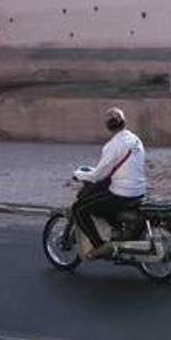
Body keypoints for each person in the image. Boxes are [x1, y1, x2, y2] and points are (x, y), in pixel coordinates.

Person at [71, 107, 146, 259]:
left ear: (107, 126)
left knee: (79, 209)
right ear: (124, 122)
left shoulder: (113, 145)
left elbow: (98, 175)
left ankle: (99, 246)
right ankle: (116, 232)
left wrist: (79, 174)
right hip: (139, 191)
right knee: (103, 203)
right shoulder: (135, 140)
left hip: (122, 193)